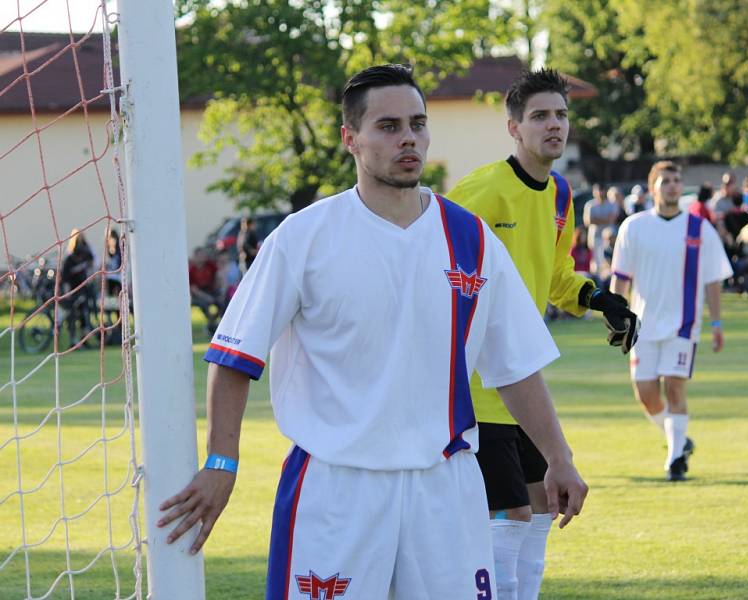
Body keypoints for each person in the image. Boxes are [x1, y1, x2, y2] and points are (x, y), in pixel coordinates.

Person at [157, 64, 588, 600]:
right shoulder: (304, 237)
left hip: (444, 486)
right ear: (351, 139)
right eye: (388, 126)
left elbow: (515, 365)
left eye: (418, 123)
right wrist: (222, 462)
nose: (408, 137)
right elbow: (234, 356)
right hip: (337, 488)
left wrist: (558, 457)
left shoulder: (471, 239)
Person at [447, 68, 637, 600]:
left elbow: (556, 277)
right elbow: (436, 273)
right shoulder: (478, 192)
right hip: (478, 387)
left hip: (524, 383)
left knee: (543, 508)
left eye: (561, 114)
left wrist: (601, 300)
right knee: (507, 516)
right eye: (539, 116)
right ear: (514, 127)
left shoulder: (558, 193)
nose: (554, 125)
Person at [611, 161, 733, 481]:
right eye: (666, 180)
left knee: (676, 389)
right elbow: (620, 278)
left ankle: (676, 459)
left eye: (677, 180)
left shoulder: (699, 229)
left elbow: (713, 280)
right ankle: (678, 438)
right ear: (653, 187)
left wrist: (717, 323)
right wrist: (615, 316)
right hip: (642, 325)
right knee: (646, 393)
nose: (673, 186)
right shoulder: (633, 227)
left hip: (683, 325)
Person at [583, 182, 619, 275]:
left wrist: (597, 219)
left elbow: (612, 219)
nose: (600, 193)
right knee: (596, 263)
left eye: (601, 190)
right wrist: (605, 219)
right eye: (597, 190)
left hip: (609, 239)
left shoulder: (612, 204)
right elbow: (588, 221)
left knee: (609, 262)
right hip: (595, 238)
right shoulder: (590, 205)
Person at [188, 246, 222, 334]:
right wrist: (207, 297)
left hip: (210, 291)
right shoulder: (191, 270)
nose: (203, 256)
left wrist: (219, 290)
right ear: (195, 256)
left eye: (204, 254)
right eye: (200, 255)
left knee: (221, 302)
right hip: (198, 295)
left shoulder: (210, 265)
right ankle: (211, 327)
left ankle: (213, 324)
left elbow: (218, 276)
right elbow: (194, 289)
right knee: (205, 305)